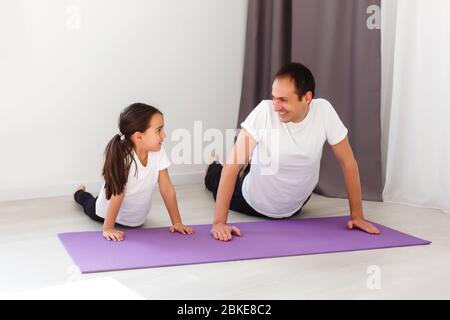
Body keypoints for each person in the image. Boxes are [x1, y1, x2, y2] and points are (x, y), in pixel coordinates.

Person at [205, 62, 380, 241]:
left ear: (306, 98)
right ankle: (212, 164)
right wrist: (219, 222)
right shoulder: (264, 111)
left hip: (295, 205)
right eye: (274, 98)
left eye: (283, 100)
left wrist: (357, 216)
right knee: (217, 177)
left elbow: (348, 163)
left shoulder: (324, 111)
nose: (276, 106)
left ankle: (250, 164)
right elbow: (232, 166)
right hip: (251, 201)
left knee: (256, 163)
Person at [74, 103, 194, 241]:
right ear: (139, 136)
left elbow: (167, 189)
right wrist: (108, 227)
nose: (164, 135)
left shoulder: (158, 152)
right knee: (87, 201)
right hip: (105, 214)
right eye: (158, 130)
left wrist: (177, 222)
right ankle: (79, 192)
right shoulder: (126, 159)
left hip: (136, 220)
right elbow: (118, 193)